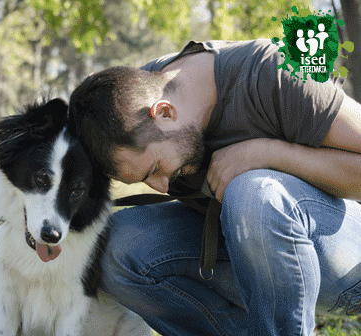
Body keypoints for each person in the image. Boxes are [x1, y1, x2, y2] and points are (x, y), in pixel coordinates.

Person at [68, 39, 361, 335]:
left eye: (154, 169)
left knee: (252, 194)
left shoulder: (269, 71)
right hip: (250, 261)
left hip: (346, 256)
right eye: (143, 180)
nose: (161, 186)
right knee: (112, 247)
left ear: (165, 113)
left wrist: (267, 154)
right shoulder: (122, 105)